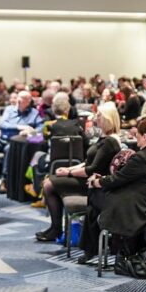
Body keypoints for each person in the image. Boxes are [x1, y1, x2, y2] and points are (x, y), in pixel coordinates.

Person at [36, 101, 118, 250]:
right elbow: (87, 162)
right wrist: (68, 169)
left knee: (49, 184)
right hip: (88, 178)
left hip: (94, 184)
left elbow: (90, 170)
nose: (95, 118)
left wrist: (68, 172)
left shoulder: (110, 142)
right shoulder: (103, 139)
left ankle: (56, 229)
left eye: (98, 115)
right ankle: (56, 228)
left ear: (107, 119)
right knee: (50, 181)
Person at [90, 117, 146, 258]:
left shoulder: (141, 158)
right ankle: (106, 246)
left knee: (93, 197)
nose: (134, 135)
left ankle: (92, 248)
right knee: (98, 199)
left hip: (136, 210)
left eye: (137, 133)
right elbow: (123, 178)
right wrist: (103, 181)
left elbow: (117, 179)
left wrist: (96, 182)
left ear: (144, 136)